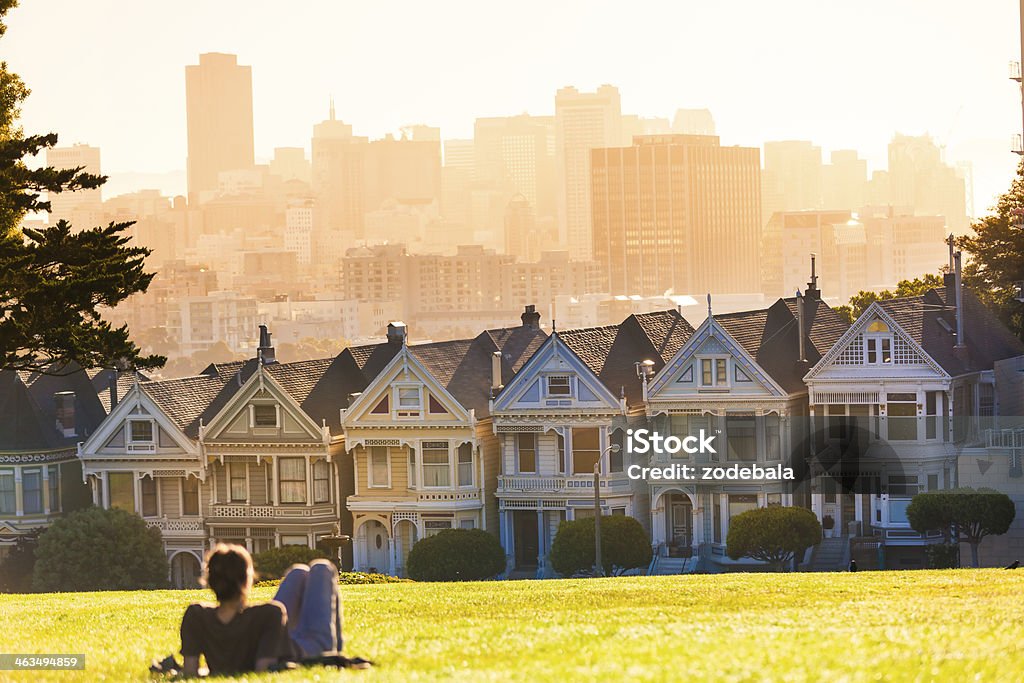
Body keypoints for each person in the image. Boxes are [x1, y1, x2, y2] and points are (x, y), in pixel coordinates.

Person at [179, 544, 343, 676]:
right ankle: (336, 647)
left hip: (277, 638)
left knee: (298, 572)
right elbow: (263, 670)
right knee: (321, 568)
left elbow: (190, 672)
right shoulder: (270, 613)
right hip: (306, 650)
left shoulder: (196, 614)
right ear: (247, 580)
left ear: (210, 581)